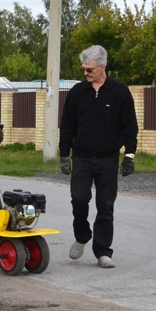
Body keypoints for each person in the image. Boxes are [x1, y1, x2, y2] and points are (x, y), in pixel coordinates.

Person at [60, 45, 138, 269]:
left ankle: (103, 251)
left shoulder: (120, 92)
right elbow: (67, 126)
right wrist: (65, 155)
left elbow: (130, 127)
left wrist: (129, 156)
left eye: (89, 69)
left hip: (108, 159)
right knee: (79, 198)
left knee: (105, 205)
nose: (85, 73)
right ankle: (82, 235)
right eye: (84, 69)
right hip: (82, 157)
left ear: (102, 67)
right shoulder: (77, 93)